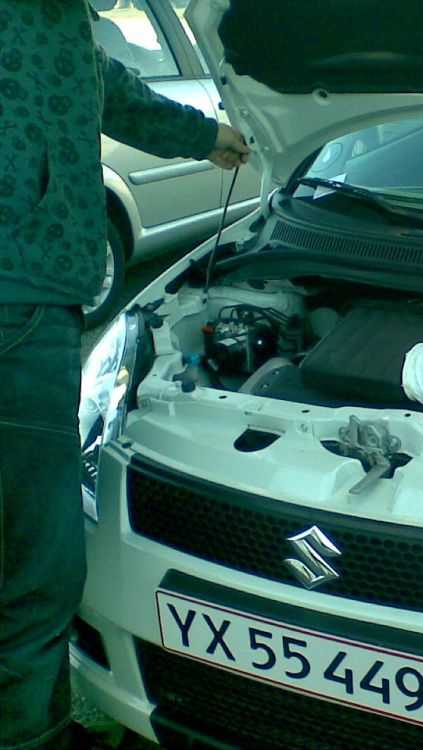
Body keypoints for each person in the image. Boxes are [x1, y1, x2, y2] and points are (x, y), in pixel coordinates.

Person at [0, 2, 250, 748]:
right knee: (35, 557)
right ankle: (31, 735)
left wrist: (208, 136)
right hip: (21, 301)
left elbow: (107, 85)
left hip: (31, 295)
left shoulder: (59, 23)